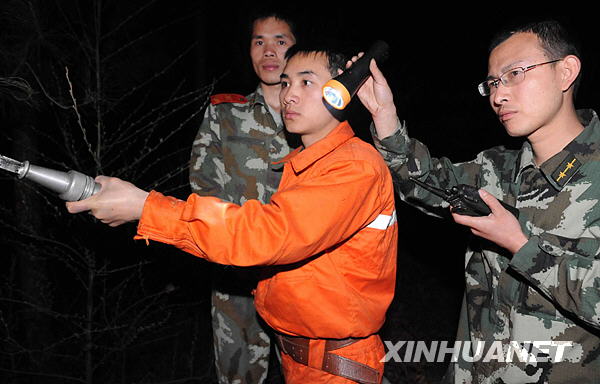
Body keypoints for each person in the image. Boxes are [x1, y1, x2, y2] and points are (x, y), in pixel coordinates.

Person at [66, 45, 398, 384]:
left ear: (341, 92)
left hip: (336, 367)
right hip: (300, 360)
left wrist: (145, 207)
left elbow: (266, 236)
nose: (289, 96)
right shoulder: (307, 164)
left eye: (306, 82)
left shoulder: (352, 167)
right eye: (285, 83)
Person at [357, 19, 600, 383]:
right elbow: (422, 181)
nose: (499, 95)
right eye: (492, 83)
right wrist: (384, 117)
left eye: (515, 74)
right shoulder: (496, 168)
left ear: (565, 71)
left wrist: (520, 245)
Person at [189, 10, 298, 383]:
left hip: (299, 275)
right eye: (259, 42)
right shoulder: (225, 112)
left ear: (297, 49)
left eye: (280, 41)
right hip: (236, 275)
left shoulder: (318, 118)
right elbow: (204, 188)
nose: (269, 51)